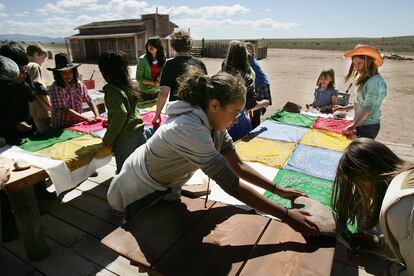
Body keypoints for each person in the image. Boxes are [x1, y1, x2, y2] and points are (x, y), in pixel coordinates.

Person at [107, 66, 319, 236]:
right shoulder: (188, 128)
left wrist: (278, 190)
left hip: (165, 184)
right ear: (215, 105)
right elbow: (231, 183)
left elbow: (239, 166)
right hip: (140, 187)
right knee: (147, 241)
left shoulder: (214, 126)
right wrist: (287, 216)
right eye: (236, 112)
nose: (238, 119)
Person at [331, 138, 414, 275]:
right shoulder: (407, 176)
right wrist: (376, 243)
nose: (359, 192)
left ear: (366, 175)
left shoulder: (396, 207)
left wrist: (376, 264)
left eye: (357, 185)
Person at [98, 51, 147, 173]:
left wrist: (108, 139)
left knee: (125, 172)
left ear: (105, 72)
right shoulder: (127, 84)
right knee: (140, 168)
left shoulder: (111, 89)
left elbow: (121, 114)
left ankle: (126, 192)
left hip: (126, 138)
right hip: (140, 131)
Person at [152, 30, 207, 125]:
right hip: (197, 112)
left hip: (177, 114)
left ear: (173, 46)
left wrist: (157, 114)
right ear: (189, 44)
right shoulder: (199, 63)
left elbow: (163, 94)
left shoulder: (169, 65)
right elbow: (206, 91)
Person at [333, 45, 387, 139]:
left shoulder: (373, 82)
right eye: (354, 64)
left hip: (368, 126)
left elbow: (368, 108)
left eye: (359, 63)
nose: (356, 67)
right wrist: (343, 108)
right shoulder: (366, 79)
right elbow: (361, 104)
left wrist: (353, 125)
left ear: (369, 63)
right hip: (361, 124)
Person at [223, 41, 269, 140]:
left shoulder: (222, 74)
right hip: (238, 122)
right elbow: (250, 105)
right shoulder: (247, 76)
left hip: (221, 121)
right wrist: (264, 103)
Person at [48, 53, 101, 129]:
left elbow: (89, 101)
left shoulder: (79, 85)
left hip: (77, 123)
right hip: (61, 125)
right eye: (64, 73)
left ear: (74, 72)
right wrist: (85, 118)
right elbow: (65, 109)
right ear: (58, 74)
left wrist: (97, 115)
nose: (68, 75)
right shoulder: (56, 88)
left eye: (70, 72)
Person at [0, 42, 36, 140]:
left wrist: (22, 83)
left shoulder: (23, 74)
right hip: (6, 134)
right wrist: (14, 124)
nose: (20, 69)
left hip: (27, 129)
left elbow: (32, 97)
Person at [245, 42, 272, 129]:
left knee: (254, 107)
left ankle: (255, 127)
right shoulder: (253, 59)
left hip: (260, 84)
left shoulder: (249, 60)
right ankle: (255, 124)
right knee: (255, 108)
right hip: (262, 83)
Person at [26, 43, 51, 133]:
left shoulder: (26, 66)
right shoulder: (35, 66)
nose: (43, 61)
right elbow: (37, 86)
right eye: (43, 57)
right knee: (47, 134)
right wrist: (52, 91)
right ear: (36, 54)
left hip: (33, 108)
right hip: (42, 108)